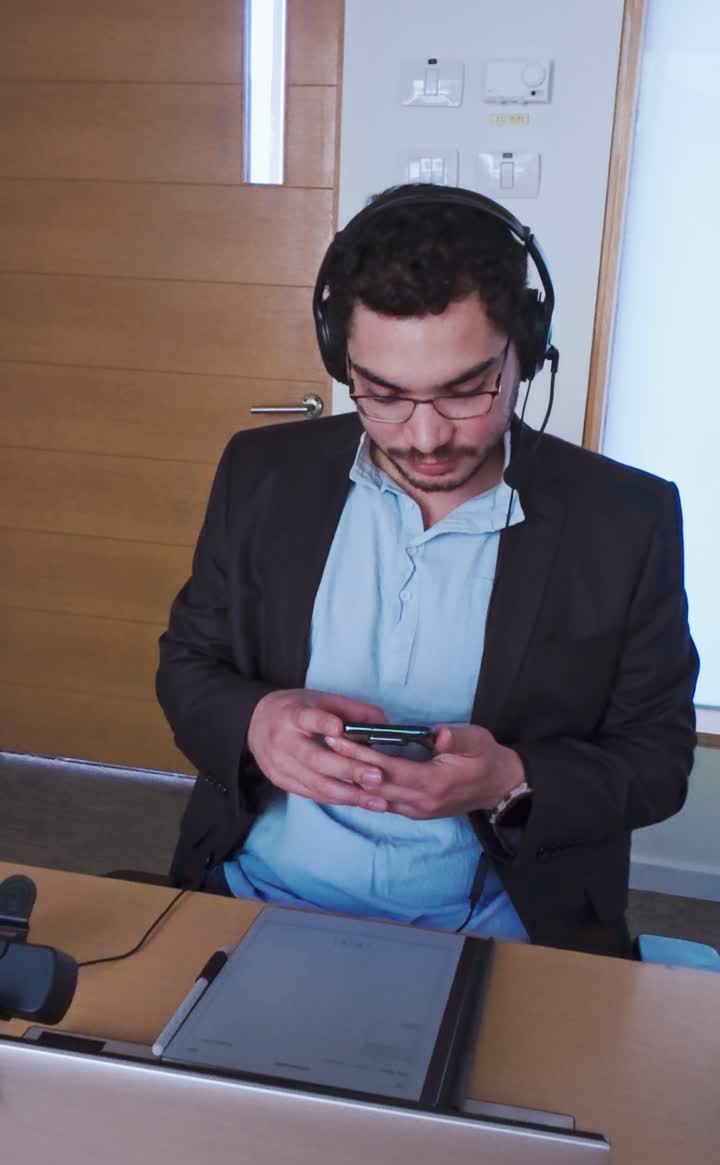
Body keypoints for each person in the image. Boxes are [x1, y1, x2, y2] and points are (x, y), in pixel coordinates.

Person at [156, 184, 699, 957]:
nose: (424, 436)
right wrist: (255, 722)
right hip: (253, 896)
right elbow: (187, 664)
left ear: (529, 352)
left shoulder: (624, 519)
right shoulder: (262, 473)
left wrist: (509, 778)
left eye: (465, 390)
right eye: (382, 395)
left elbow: (658, 758)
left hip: (501, 926)